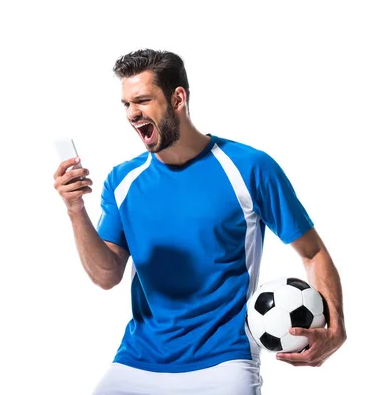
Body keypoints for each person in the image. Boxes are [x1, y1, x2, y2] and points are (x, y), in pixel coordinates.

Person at [52, 49, 346, 394]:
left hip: (224, 362)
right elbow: (106, 275)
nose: (132, 114)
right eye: (126, 104)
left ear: (178, 98)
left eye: (143, 100)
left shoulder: (249, 168)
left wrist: (336, 328)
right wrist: (74, 208)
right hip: (137, 359)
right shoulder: (123, 180)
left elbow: (313, 253)